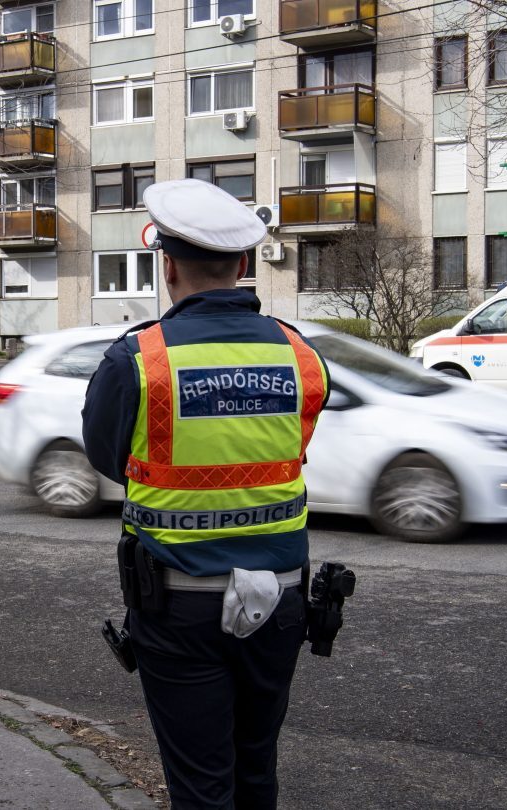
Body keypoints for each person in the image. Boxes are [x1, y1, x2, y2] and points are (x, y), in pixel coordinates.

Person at [81, 179, 330, 810]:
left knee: (200, 785)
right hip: (279, 602)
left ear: (167, 266)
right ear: (244, 265)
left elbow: (111, 461)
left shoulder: (138, 360)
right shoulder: (302, 357)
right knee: (256, 770)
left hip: (178, 609)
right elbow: (291, 451)